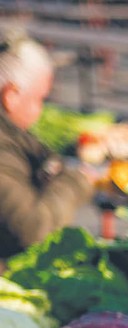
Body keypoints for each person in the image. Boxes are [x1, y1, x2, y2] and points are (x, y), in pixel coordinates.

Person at [0, 32, 92, 259]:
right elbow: (34, 230)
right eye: (39, 98)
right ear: (11, 95)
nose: (40, 110)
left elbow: (46, 158)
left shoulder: (12, 133)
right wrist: (77, 181)